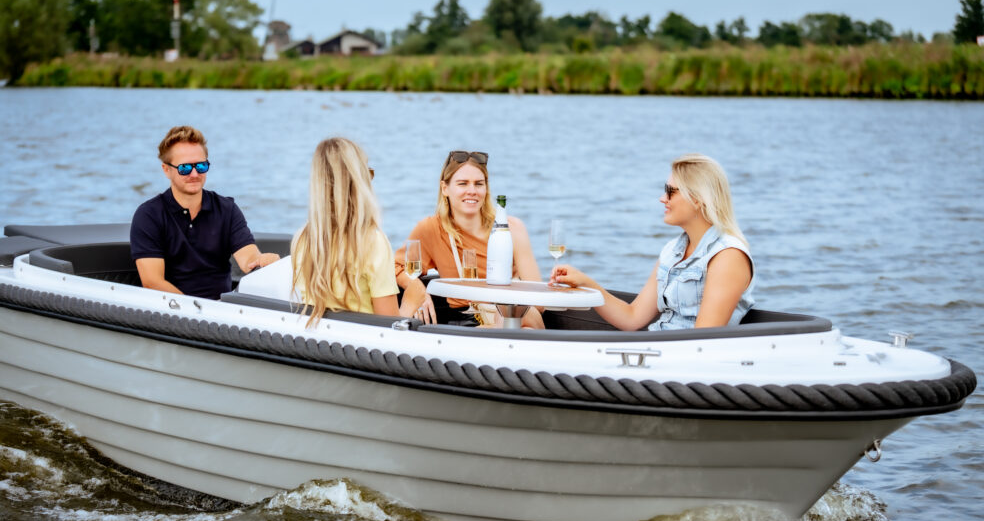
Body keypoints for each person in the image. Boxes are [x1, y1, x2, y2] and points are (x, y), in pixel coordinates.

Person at [550, 153, 754, 331]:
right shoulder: (672, 250)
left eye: (670, 191)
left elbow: (702, 339)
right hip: (658, 352)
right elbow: (631, 318)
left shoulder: (728, 256)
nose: (662, 198)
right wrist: (586, 283)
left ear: (698, 198)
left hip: (679, 362)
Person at [395, 150, 544, 328]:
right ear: (445, 188)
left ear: (486, 189)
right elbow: (395, 267)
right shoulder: (431, 229)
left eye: (479, 184)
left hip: (511, 314)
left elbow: (539, 303)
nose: (472, 191)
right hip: (466, 322)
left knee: (521, 319)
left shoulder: (512, 228)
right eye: (463, 184)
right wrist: (416, 288)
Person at [131, 126, 279, 300]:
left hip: (222, 311)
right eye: (185, 168)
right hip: (170, 313)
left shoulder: (227, 209)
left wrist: (264, 261)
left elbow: (249, 259)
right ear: (166, 170)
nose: (194, 174)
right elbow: (153, 281)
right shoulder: (149, 215)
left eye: (201, 166)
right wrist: (195, 311)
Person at [290, 137, 420, 325]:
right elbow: (390, 329)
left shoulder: (302, 239)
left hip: (320, 345)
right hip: (361, 348)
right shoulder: (373, 242)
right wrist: (412, 300)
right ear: (358, 184)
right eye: (368, 174)